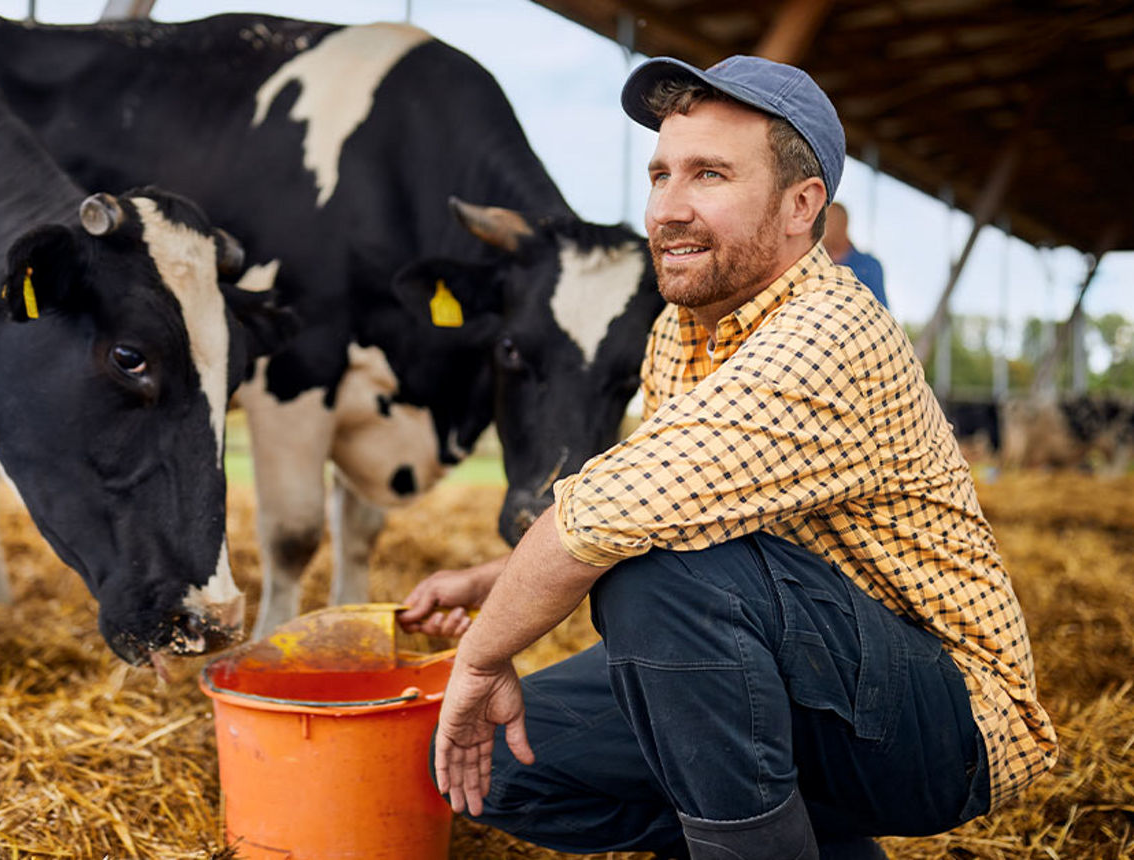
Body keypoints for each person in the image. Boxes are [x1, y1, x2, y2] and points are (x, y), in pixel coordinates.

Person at [400, 54, 1055, 860]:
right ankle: (795, 836)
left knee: (661, 577)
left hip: (944, 721)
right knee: (496, 764)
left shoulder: (828, 335)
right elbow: (644, 500)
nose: (668, 210)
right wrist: (488, 583)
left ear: (800, 205)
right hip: (799, 665)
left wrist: (478, 658)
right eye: (660, 174)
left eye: (709, 175)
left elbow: (611, 520)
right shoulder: (682, 330)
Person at [824, 202, 888, 307]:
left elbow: (881, 311)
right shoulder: (816, 265)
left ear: (843, 224)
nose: (821, 231)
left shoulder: (869, 267)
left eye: (828, 223)